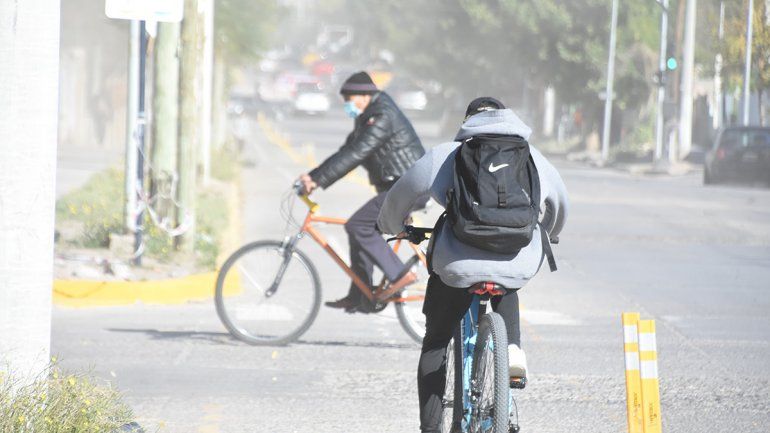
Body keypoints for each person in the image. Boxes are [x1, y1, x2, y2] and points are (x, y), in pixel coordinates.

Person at [377, 97, 568, 433]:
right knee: (506, 278)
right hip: (515, 260)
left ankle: (430, 428)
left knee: (436, 341)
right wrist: (549, 234)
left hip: (458, 265)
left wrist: (393, 225)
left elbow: (401, 194)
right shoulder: (531, 156)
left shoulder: (448, 155)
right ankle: (512, 351)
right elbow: (560, 204)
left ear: (467, 123)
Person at [298, 71, 426, 313]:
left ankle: (400, 274)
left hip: (409, 188)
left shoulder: (382, 116)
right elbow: (346, 152)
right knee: (359, 230)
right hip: (398, 188)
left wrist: (317, 181)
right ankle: (360, 295)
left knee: (358, 225)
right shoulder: (367, 117)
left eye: (349, 99)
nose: (347, 104)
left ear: (365, 96)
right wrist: (313, 176)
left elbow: (357, 153)